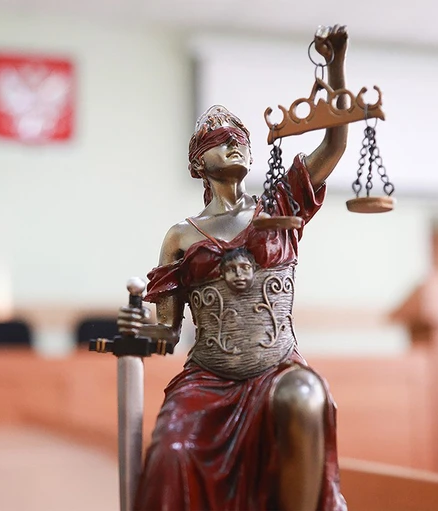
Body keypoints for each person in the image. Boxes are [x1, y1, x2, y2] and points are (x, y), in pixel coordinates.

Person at [119, 24, 350, 511]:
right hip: (209, 376)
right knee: (171, 450)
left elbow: (334, 145)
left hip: (276, 367)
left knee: (304, 399)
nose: (235, 144)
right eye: (220, 140)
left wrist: (335, 69)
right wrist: (140, 327)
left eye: (240, 139)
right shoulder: (180, 237)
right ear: (197, 164)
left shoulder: (278, 206)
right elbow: (167, 333)